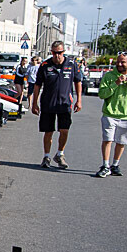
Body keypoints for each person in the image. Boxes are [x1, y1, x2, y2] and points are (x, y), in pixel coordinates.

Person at [31, 41, 82, 169]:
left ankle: (60, 154)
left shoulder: (71, 64)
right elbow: (37, 85)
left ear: (63, 52)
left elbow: (78, 82)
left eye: (59, 53)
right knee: (48, 131)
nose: (57, 55)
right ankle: (46, 156)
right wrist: (34, 103)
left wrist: (79, 100)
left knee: (64, 130)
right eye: (54, 53)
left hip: (64, 103)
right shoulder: (45, 65)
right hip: (48, 103)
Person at [95, 51, 127, 177]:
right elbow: (102, 94)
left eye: (123, 62)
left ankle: (115, 165)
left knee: (121, 141)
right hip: (110, 114)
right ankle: (105, 165)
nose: (119, 64)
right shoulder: (109, 76)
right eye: (118, 62)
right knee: (107, 139)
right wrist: (116, 83)